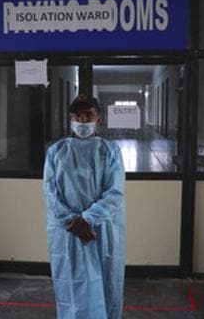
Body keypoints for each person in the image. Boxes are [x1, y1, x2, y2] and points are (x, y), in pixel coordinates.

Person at [43, 94, 126, 319]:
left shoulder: (110, 151)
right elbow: (51, 194)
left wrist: (87, 219)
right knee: (71, 285)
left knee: (106, 284)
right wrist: (72, 220)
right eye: (77, 116)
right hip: (68, 232)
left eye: (88, 115)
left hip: (100, 231)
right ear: (70, 119)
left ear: (98, 118)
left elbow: (115, 193)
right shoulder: (56, 152)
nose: (82, 120)